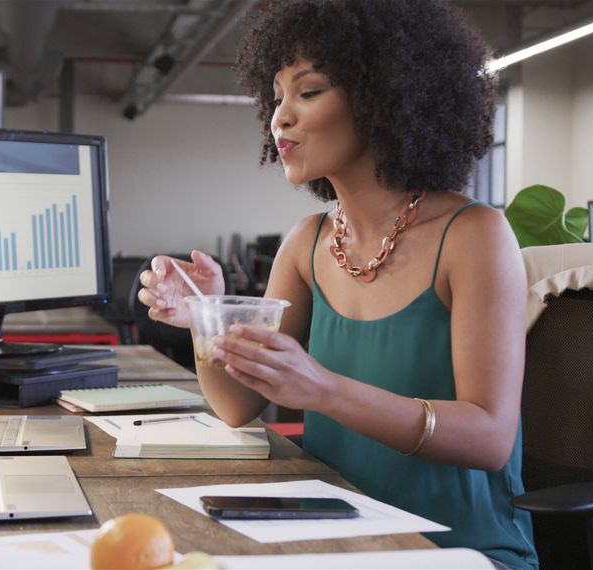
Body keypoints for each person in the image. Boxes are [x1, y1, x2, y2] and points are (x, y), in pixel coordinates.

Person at [137, 1, 536, 567]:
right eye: (277, 97)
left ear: (385, 95)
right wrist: (209, 319)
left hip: (455, 549)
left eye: (309, 91)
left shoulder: (474, 236)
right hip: (330, 538)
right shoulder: (308, 242)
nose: (281, 117)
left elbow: (490, 439)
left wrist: (321, 389)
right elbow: (236, 406)